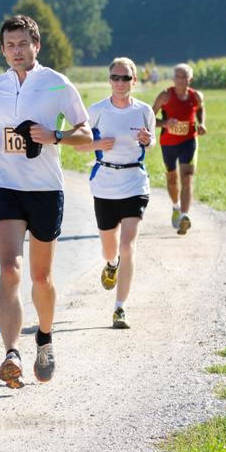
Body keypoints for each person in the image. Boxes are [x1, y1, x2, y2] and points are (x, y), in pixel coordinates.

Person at [0, 15, 92, 389]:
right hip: (5, 187)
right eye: (10, 45)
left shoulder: (56, 83)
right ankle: (11, 353)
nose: (16, 51)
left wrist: (55, 135)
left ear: (36, 46)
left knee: (41, 277)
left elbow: (86, 134)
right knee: (9, 269)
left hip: (45, 190)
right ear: (2, 50)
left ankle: (44, 338)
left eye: (23, 44)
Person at [78, 57, 156, 330]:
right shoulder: (97, 111)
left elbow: (151, 142)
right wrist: (97, 144)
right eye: (115, 77)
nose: (120, 82)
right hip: (105, 184)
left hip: (135, 183)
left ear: (134, 80)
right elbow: (79, 145)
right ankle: (112, 264)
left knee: (127, 246)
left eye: (126, 78)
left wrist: (148, 140)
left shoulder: (144, 110)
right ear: (109, 80)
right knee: (110, 249)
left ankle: (119, 308)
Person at [152, 63, 206, 235]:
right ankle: (176, 207)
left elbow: (200, 109)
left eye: (184, 76)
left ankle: (184, 216)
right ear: (173, 78)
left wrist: (201, 123)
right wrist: (165, 123)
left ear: (190, 79)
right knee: (172, 180)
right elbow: (150, 118)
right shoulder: (165, 96)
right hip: (168, 143)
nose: (181, 80)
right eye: (178, 76)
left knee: (187, 177)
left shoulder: (196, 96)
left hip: (189, 141)